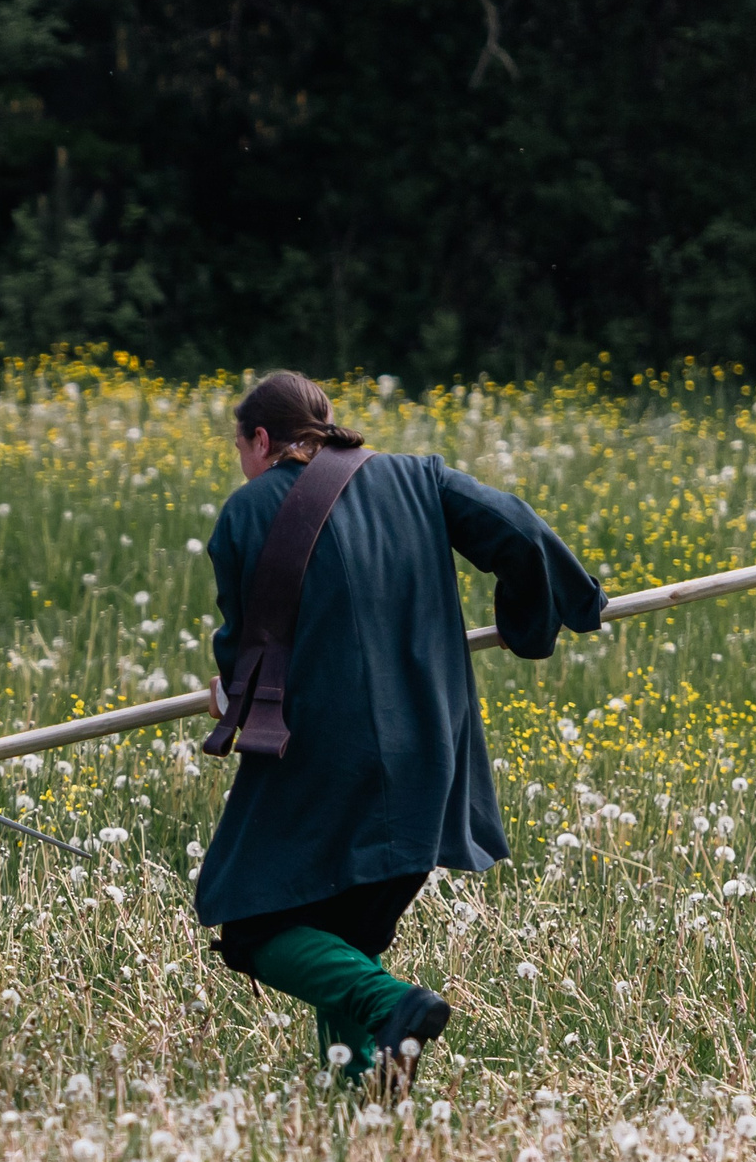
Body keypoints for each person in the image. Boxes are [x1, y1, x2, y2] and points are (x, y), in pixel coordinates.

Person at [195, 371, 605, 1087]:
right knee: (341, 930)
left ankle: (394, 1003)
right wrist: (535, 622)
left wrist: (229, 688)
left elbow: (249, 642)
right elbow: (515, 527)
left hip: (325, 753)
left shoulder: (247, 511)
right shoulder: (419, 478)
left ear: (260, 440)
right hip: (430, 750)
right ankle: (363, 1098)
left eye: (240, 446)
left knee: (252, 923)